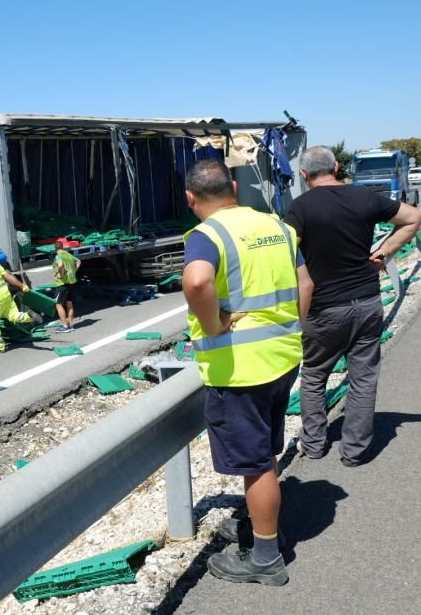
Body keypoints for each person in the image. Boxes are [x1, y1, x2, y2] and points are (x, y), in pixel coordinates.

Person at [181, 158, 311, 586]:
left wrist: (215, 323)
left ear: (191, 198)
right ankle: (261, 528)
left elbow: (198, 282)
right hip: (283, 358)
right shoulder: (278, 226)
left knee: (256, 464)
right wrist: (291, 328)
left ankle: (266, 558)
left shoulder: (207, 235)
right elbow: (306, 285)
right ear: (233, 187)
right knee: (265, 454)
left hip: (239, 371)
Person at [285, 146, 421, 466]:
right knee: (363, 377)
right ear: (335, 166)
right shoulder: (364, 197)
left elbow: (283, 254)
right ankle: (355, 451)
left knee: (315, 376)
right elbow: (414, 217)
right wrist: (383, 254)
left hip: (322, 309)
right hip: (367, 301)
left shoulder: (299, 209)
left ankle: (315, 445)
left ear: (304, 175)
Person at [52, 241, 81, 333]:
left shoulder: (58, 256)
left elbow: (61, 265)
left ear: (55, 248)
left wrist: (61, 274)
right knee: (69, 303)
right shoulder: (68, 254)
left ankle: (65, 326)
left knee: (58, 304)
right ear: (62, 247)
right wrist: (74, 270)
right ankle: (71, 325)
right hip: (72, 282)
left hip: (62, 284)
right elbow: (79, 261)